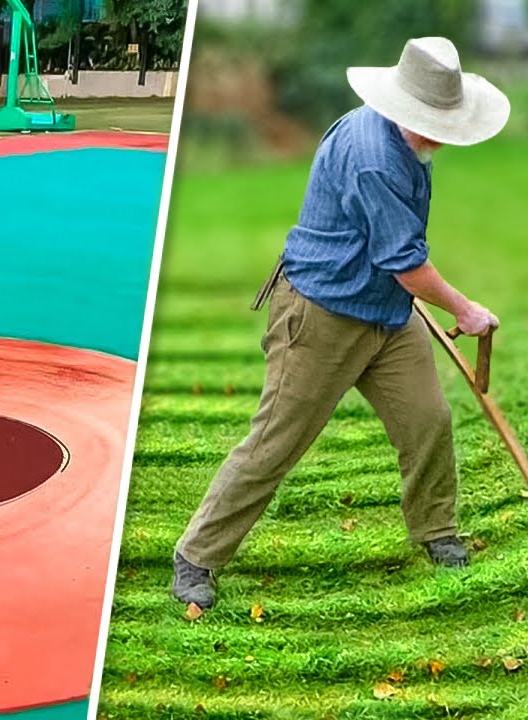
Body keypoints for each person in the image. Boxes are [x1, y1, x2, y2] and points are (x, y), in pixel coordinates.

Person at [171, 37, 510, 609]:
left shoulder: (404, 144)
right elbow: (405, 261)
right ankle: (197, 556)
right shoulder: (372, 154)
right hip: (321, 316)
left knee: (428, 420)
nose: (439, 139)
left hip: (387, 314)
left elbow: (395, 257)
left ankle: (436, 529)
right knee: (276, 442)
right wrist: (466, 310)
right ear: (405, 110)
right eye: (432, 125)